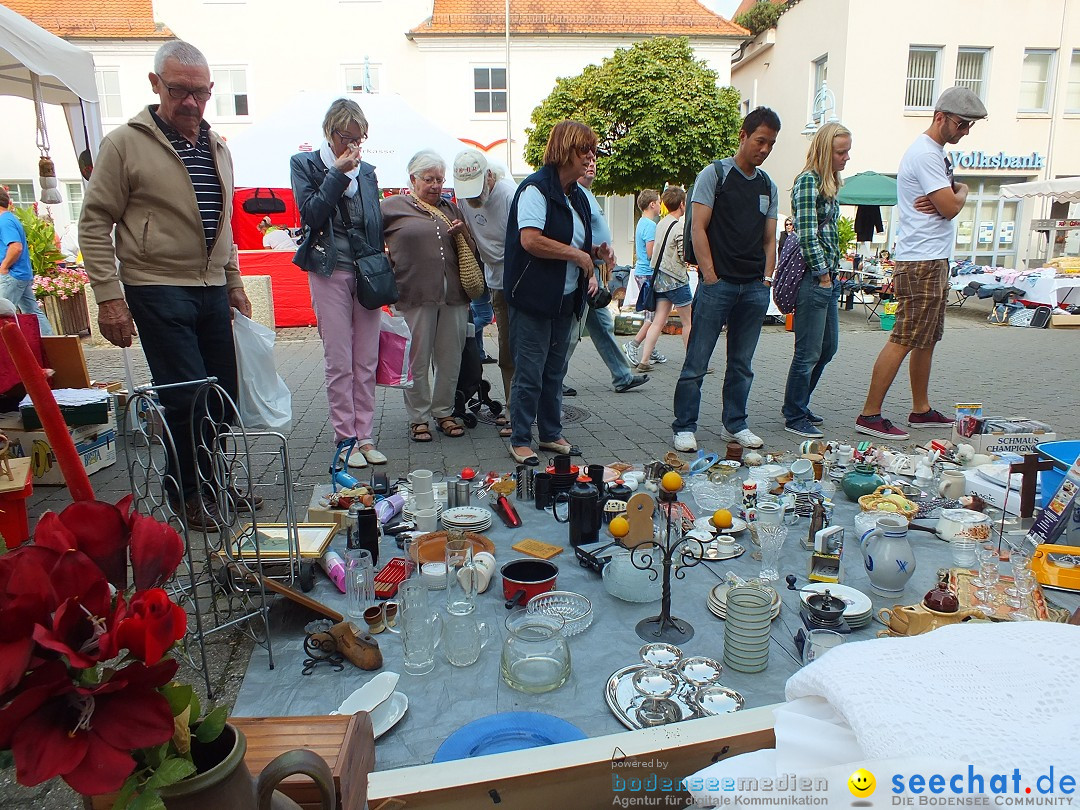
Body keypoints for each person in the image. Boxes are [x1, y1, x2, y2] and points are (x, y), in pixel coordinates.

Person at [79, 40, 256, 531]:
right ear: (156, 84)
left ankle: (211, 481)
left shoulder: (217, 145)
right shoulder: (124, 143)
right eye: (179, 89)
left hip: (210, 287)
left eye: (200, 92)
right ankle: (186, 493)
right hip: (155, 285)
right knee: (187, 397)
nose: (191, 102)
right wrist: (110, 297)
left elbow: (224, 226)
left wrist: (234, 283)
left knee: (222, 396)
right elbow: (94, 222)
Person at [855, 86, 986, 440]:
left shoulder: (939, 154)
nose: (965, 131)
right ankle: (869, 414)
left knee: (926, 338)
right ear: (940, 117)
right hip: (921, 259)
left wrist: (960, 192)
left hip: (931, 257)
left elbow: (953, 195)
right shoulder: (926, 154)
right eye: (961, 124)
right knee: (905, 336)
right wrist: (958, 195)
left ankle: (921, 409)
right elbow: (949, 206)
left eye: (970, 125)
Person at [671, 107, 781, 453]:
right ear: (743, 136)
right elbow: (697, 228)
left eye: (771, 144)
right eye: (760, 141)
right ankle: (685, 426)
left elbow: (769, 239)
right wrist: (710, 276)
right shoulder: (715, 174)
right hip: (718, 286)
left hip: (753, 287)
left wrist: (766, 279)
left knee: (741, 365)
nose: (764, 149)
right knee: (697, 362)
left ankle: (735, 425)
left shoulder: (767, 185)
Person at [503, 120, 609, 465]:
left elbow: (575, 244)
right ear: (565, 150)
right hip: (533, 298)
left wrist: (595, 254)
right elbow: (530, 240)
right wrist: (578, 255)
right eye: (585, 149)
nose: (591, 156)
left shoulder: (575, 195)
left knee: (554, 372)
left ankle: (550, 433)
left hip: (565, 298)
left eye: (593, 150)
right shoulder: (535, 189)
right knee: (530, 372)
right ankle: (520, 438)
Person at [290, 97, 387, 469]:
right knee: (339, 360)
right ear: (331, 133)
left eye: (360, 139)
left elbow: (373, 221)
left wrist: (383, 260)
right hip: (328, 269)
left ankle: (365, 436)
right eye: (349, 137)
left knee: (366, 360)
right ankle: (345, 438)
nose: (355, 146)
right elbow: (311, 214)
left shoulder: (368, 171)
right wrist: (338, 175)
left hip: (367, 271)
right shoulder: (305, 164)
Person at [382, 149, 478, 442]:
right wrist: (387, 277)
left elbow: (472, 252)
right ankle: (418, 418)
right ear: (413, 179)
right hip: (414, 294)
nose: (436, 185)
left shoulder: (452, 209)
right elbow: (372, 247)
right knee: (417, 359)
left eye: (440, 179)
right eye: (429, 179)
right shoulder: (392, 207)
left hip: (454, 297)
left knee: (449, 359)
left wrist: (463, 234)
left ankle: (444, 412)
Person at [780, 122, 852, 439]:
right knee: (807, 352)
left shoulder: (827, 185)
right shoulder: (808, 182)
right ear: (825, 151)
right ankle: (794, 414)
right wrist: (823, 274)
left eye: (848, 150)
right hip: (814, 279)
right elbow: (807, 234)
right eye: (841, 151)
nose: (846, 157)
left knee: (828, 348)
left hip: (827, 278)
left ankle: (800, 403)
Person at [562, 155, 649, 395]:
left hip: (593, 272)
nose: (591, 165)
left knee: (602, 325)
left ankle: (622, 376)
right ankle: (553, 380)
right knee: (571, 330)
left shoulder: (587, 193)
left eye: (594, 161)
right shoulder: (575, 193)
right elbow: (576, 236)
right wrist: (590, 268)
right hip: (583, 273)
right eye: (586, 161)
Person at [454, 148, 517, 437]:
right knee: (507, 349)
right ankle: (513, 406)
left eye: (476, 188)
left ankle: (518, 410)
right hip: (496, 280)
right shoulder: (466, 198)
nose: (471, 198)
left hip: (520, 279)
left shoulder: (508, 194)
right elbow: (477, 240)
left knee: (517, 348)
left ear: (489, 176)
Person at [633, 185, 693, 374]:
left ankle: (644, 360)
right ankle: (694, 363)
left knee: (658, 320)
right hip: (676, 278)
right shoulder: (679, 226)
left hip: (659, 278)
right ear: (682, 204)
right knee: (688, 322)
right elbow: (684, 255)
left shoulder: (660, 224)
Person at [0, 189, 54, 337]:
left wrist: (4, 267)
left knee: (3, 311)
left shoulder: (4, 221)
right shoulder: (9, 218)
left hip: (12, 274)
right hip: (20, 273)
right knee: (32, 311)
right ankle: (50, 341)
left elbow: (16, 247)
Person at [623, 189, 666, 366]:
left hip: (642, 271)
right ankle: (633, 345)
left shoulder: (642, 222)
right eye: (659, 201)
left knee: (652, 312)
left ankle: (651, 347)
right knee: (654, 316)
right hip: (648, 272)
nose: (661, 205)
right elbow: (651, 253)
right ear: (652, 205)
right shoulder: (650, 226)